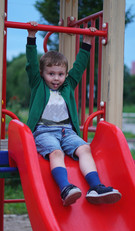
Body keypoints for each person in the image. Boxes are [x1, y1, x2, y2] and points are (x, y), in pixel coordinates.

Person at [26, 21, 121, 206]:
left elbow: (80, 66)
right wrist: (31, 37)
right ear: (42, 73)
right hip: (44, 131)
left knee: (85, 148)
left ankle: (96, 186)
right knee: (56, 153)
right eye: (51, 73)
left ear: (65, 75)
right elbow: (30, 62)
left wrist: (87, 41)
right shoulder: (38, 85)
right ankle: (65, 188)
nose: (56, 78)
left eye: (60, 74)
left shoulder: (68, 85)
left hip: (67, 131)